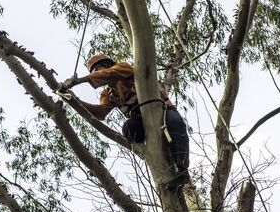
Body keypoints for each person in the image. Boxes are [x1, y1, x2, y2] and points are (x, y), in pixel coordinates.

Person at [58, 54, 190, 189]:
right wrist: (76, 101)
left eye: (98, 69)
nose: (97, 73)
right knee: (128, 128)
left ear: (107, 65)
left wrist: (80, 80)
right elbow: (101, 112)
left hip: (163, 110)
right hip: (140, 120)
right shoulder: (108, 94)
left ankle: (182, 169)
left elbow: (110, 74)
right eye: (94, 71)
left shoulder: (123, 68)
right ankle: (156, 157)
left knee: (176, 123)